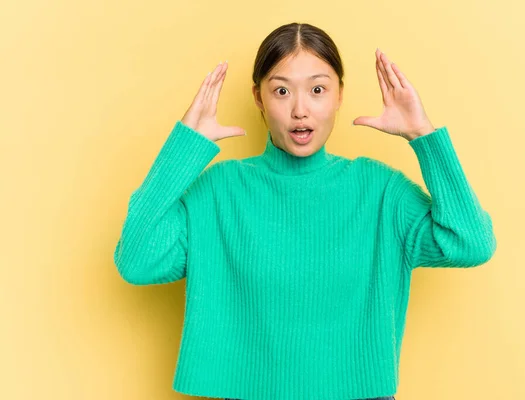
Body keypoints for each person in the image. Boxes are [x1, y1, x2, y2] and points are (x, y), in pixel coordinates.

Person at [113, 22, 496, 400]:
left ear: (339, 95)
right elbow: (137, 261)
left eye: (317, 90)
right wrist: (184, 148)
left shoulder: (381, 191)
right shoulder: (218, 190)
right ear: (258, 98)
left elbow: (470, 243)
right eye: (281, 91)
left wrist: (423, 136)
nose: (300, 110)